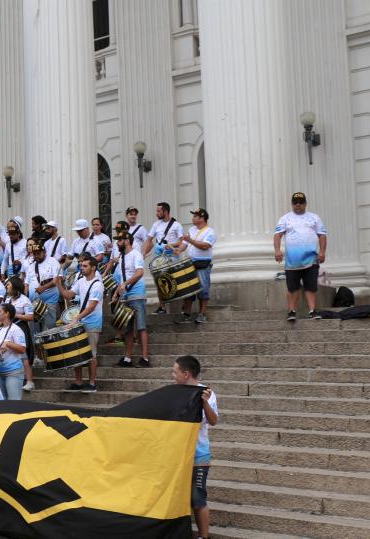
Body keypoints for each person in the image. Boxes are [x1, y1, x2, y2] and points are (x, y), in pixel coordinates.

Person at [171, 355, 219, 539]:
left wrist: (204, 402)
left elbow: (214, 421)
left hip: (199, 455)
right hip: (177, 455)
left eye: (174, 372)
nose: (172, 375)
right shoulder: (174, 392)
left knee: (198, 498)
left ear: (185, 374)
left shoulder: (207, 393)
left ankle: (204, 536)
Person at [274, 192, 327, 320]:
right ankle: (292, 311)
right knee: (293, 287)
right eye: (295, 202)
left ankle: (312, 311)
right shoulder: (285, 218)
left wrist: (322, 252)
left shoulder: (314, 217)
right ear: (292, 204)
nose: (298, 205)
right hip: (292, 261)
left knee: (311, 286)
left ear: (305, 204)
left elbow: (322, 235)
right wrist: (277, 251)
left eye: (301, 202)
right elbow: (277, 235)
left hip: (311, 259)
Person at [56, 254, 103, 392]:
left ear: (93, 267)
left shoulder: (98, 284)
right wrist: (58, 284)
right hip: (81, 321)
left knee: (91, 354)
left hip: (93, 323)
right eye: (81, 265)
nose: (81, 267)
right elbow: (68, 295)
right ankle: (78, 383)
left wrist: (76, 318)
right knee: (77, 353)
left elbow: (92, 306)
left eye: (85, 265)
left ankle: (92, 384)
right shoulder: (81, 281)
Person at [113, 231, 150, 367]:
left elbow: (140, 272)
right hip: (125, 296)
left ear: (127, 240)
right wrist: (116, 293)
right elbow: (121, 279)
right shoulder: (121, 258)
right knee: (128, 329)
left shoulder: (136, 254)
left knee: (141, 327)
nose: (117, 242)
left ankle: (145, 358)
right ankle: (127, 358)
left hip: (137, 294)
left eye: (119, 240)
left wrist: (125, 284)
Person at [143, 202, 185, 314]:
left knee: (174, 280)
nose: (156, 213)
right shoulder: (156, 225)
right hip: (158, 255)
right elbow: (149, 240)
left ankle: (178, 307)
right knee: (159, 280)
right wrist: (143, 253)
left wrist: (175, 246)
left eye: (158, 211)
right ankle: (162, 307)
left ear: (165, 211)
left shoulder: (176, 225)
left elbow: (182, 241)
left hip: (171, 254)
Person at [176, 208, 216, 324]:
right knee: (188, 290)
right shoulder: (191, 229)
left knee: (203, 290)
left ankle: (202, 314)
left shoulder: (210, 232)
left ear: (202, 218)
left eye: (195, 216)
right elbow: (184, 244)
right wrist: (178, 250)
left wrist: (190, 240)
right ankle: (186, 315)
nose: (192, 218)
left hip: (203, 264)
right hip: (190, 263)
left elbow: (205, 246)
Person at [24, 240, 61, 338]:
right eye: (34, 254)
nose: (36, 256)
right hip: (34, 302)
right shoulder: (31, 266)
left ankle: (49, 351)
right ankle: (36, 351)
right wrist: (26, 299)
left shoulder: (52, 261)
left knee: (48, 329)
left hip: (49, 300)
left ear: (44, 252)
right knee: (34, 330)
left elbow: (56, 280)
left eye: (38, 254)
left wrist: (43, 288)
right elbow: (26, 284)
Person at [0, 304, 26, 400]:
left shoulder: (16, 330)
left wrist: (8, 344)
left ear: (7, 314)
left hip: (13, 372)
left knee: (14, 403)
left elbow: (22, 349)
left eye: (0, 312)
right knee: (1, 403)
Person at [4, 275, 36, 382]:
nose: (6, 286)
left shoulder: (25, 300)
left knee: (24, 356)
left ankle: (30, 381)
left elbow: (30, 317)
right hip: (9, 329)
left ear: (15, 286)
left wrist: (15, 315)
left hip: (21, 328)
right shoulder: (8, 300)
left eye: (8, 284)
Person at [0, 203, 27, 279]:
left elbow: (8, 248)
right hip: (1, 256)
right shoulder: (3, 230)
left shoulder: (24, 242)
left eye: (12, 221)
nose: (11, 236)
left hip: (19, 266)